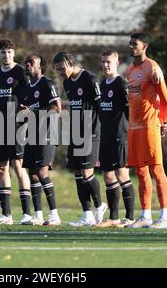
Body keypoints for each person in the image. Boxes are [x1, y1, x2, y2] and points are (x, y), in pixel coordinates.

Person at [53, 51, 107, 227]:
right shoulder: (68, 82)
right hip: (75, 132)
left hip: (91, 132)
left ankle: (99, 206)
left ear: (70, 62)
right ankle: (87, 215)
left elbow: (101, 108)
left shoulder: (90, 79)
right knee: (77, 172)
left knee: (86, 172)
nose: (60, 72)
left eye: (62, 68)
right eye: (57, 70)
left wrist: (100, 131)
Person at [0, 39, 31, 225]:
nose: (6, 55)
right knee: (1, 168)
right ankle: (6, 214)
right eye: (3, 52)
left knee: (18, 167)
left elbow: (27, 103)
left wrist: (26, 127)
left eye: (9, 52)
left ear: (14, 53)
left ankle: (27, 213)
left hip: (17, 125)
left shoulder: (21, 72)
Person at [125, 33, 167, 229]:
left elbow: (166, 99)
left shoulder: (153, 68)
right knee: (140, 171)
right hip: (134, 128)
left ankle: (165, 217)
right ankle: (145, 216)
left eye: (135, 44)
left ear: (144, 46)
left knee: (156, 169)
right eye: (130, 44)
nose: (131, 47)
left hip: (150, 126)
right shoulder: (129, 71)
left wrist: (162, 121)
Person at [21, 54, 62, 226]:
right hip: (32, 133)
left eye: (32, 62)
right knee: (32, 173)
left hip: (48, 132)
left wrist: (34, 113)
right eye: (26, 62)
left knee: (42, 172)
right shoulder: (27, 88)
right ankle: (37, 215)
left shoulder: (48, 84)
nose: (28, 64)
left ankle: (54, 215)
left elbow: (56, 108)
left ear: (40, 66)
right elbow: (27, 113)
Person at [96, 50, 135, 228]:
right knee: (107, 176)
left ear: (117, 63)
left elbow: (130, 112)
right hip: (105, 136)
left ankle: (130, 217)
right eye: (103, 62)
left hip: (120, 136)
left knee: (121, 174)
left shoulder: (122, 84)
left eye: (108, 62)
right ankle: (113, 217)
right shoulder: (102, 84)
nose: (105, 65)